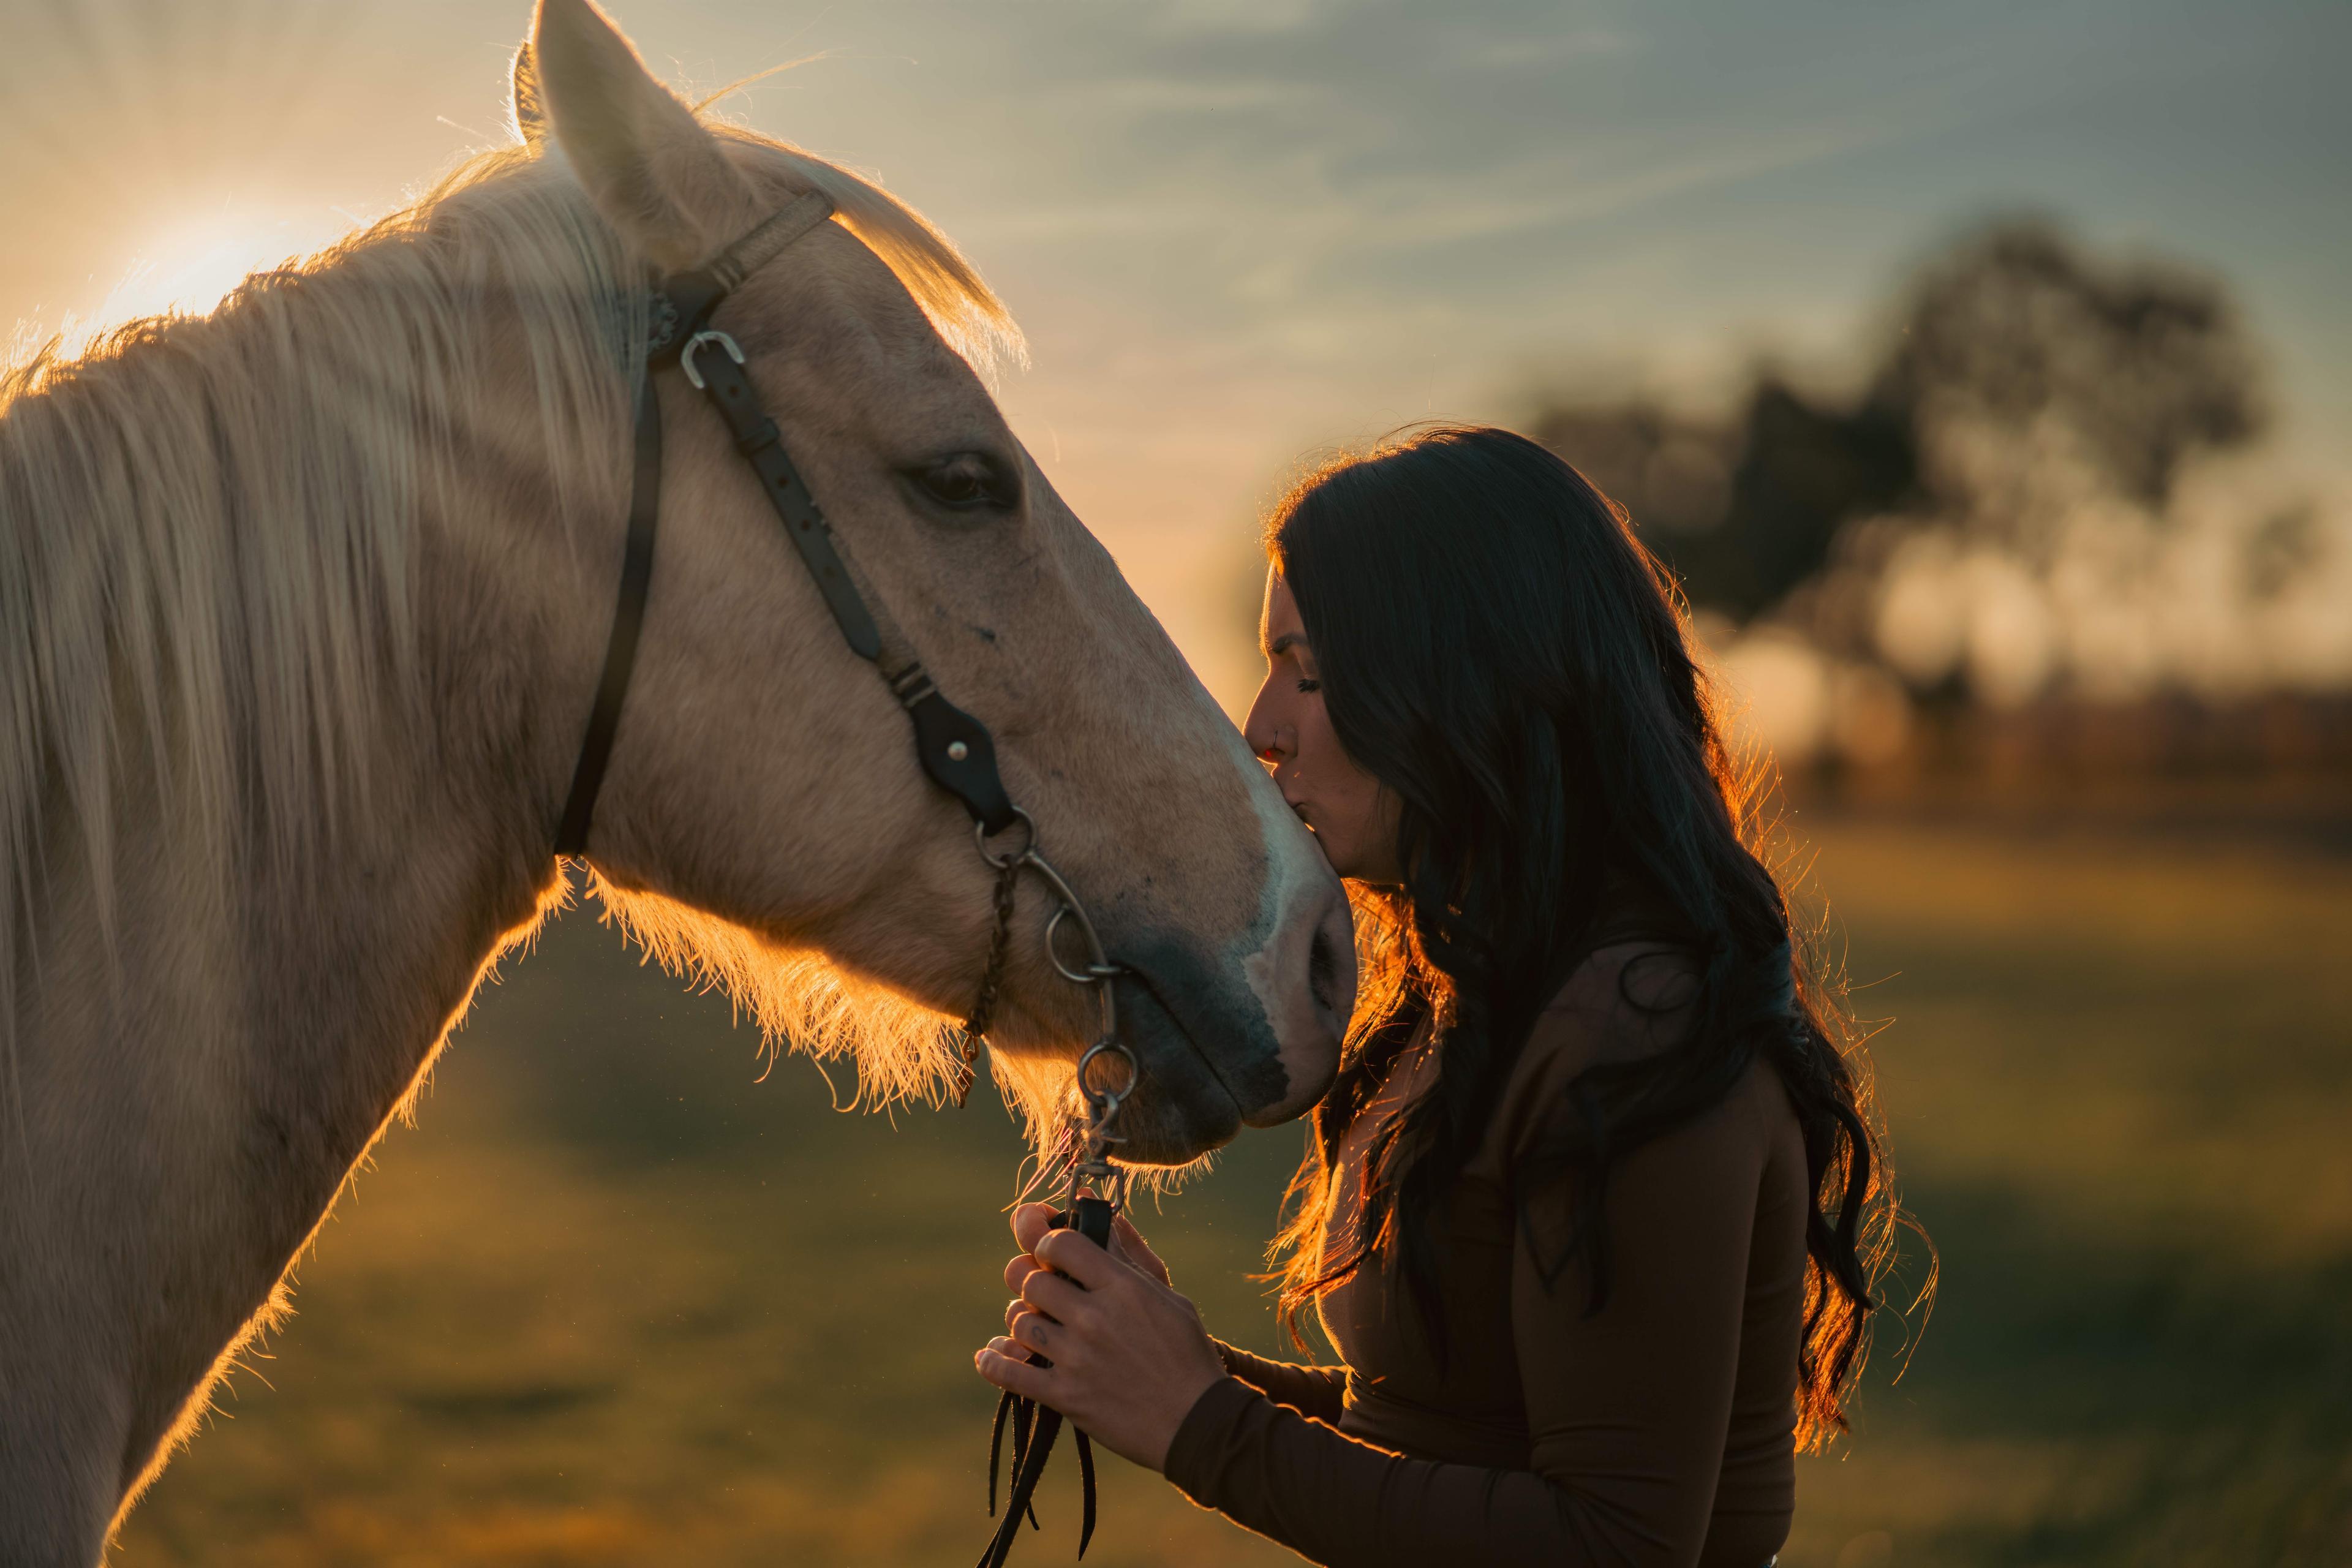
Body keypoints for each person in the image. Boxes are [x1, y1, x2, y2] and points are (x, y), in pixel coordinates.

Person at [974, 424, 1910, 1567]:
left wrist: (1201, 1424)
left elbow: (1611, 1540)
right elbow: (1443, 1429)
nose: (1261, 728)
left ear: (1467, 686)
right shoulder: (1479, 1005)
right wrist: (1167, 1364)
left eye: (1310, 674)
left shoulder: (1635, 1030)